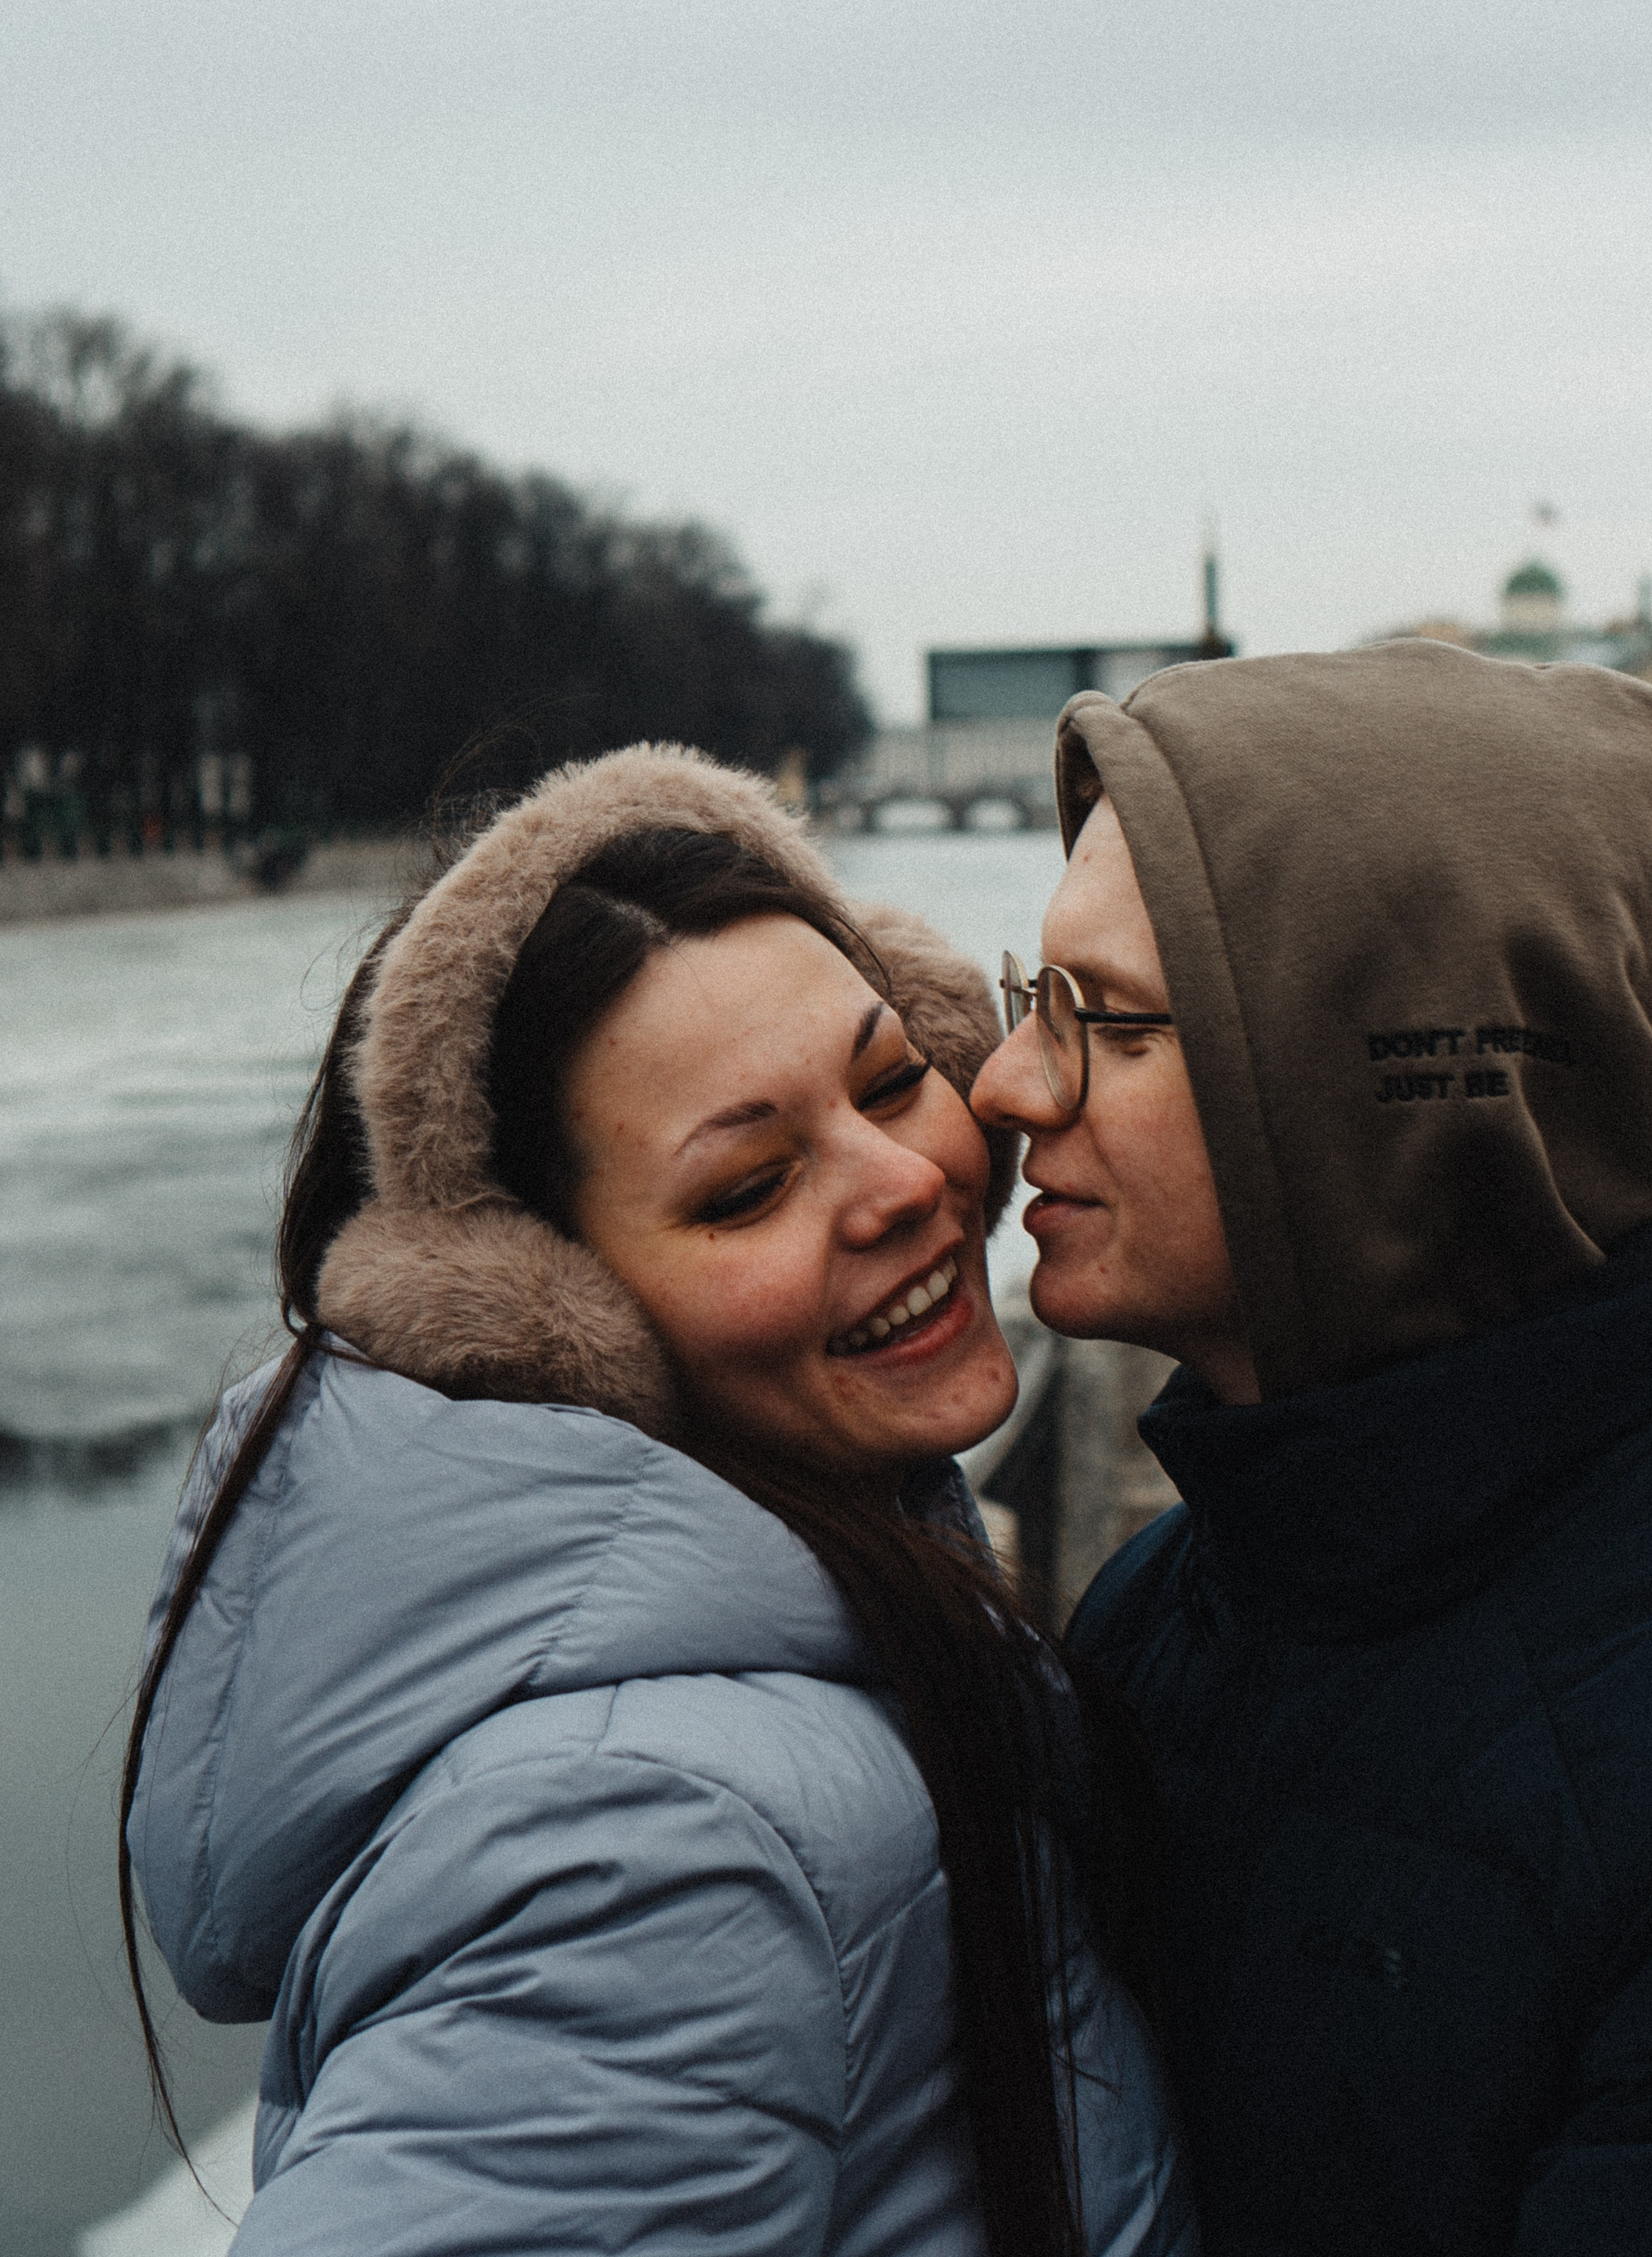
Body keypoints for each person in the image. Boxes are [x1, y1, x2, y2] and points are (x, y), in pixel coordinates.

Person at [123, 744, 1196, 2257]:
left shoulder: (793, 1698)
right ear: (547, 1317)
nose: (898, 1179)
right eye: (746, 1187)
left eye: (894, 1080)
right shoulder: (655, 1848)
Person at [971, 639, 1652, 2257]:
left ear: (1410, 1100)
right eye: (1031, 999)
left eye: (1112, 1025)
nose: (1006, 1084)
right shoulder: (1156, 1606)